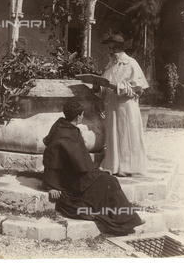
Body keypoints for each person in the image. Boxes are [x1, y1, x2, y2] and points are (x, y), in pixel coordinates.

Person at [43, 100, 144, 236]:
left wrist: (97, 171)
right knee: (110, 182)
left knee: (106, 178)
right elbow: (52, 160)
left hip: (74, 174)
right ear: (79, 116)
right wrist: (52, 186)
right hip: (70, 181)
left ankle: (125, 218)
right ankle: (126, 221)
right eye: (82, 115)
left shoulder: (60, 126)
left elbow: (79, 161)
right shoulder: (68, 134)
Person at [92, 34, 149, 177]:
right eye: (109, 48)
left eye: (114, 49)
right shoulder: (110, 67)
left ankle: (128, 167)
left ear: (121, 48)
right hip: (111, 106)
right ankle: (114, 165)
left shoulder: (131, 64)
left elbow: (138, 88)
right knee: (113, 134)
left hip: (126, 107)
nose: (111, 52)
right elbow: (105, 90)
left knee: (125, 133)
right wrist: (97, 87)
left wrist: (118, 87)